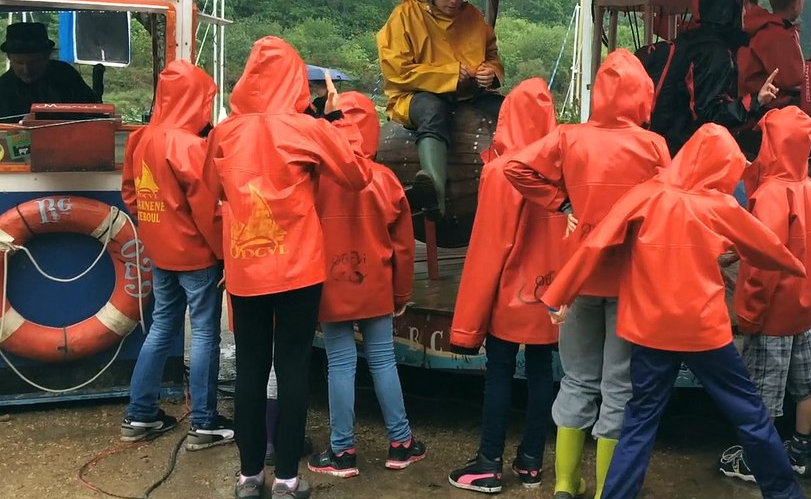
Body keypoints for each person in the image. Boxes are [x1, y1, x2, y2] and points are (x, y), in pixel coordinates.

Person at [541, 123, 807, 499]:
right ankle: (785, 494)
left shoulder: (645, 195)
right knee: (748, 412)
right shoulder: (720, 205)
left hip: (651, 329)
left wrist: (559, 293)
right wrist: (798, 268)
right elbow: (766, 246)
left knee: (639, 419)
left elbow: (595, 243)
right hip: (703, 331)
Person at [203, 36, 371, 499]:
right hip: (298, 269)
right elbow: (358, 176)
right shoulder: (308, 128)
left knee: (251, 370)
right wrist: (337, 121)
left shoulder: (224, 131)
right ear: (296, 79)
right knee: (294, 367)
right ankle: (289, 481)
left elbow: (211, 190)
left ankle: (248, 478)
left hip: (245, 268)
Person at [504, 50, 670, 499]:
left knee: (577, 379)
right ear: (641, 92)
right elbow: (668, 205)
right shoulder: (652, 145)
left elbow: (514, 166)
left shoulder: (568, 136)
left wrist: (562, 203)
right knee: (619, 386)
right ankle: (605, 491)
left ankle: (563, 483)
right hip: (628, 278)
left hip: (575, 278)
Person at [448, 79, 564, 493]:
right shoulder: (563, 168)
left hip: (509, 299)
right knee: (541, 373)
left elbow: (487, 251)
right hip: (550, 296)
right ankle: (532, 462)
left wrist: (466, 326)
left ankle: (488, 463)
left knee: (498, 372)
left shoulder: (501, 172)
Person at [307, 92, 425, 479]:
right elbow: (404, 247)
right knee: (383, 361)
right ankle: (401, 443)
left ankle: (342, 452)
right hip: (376, 286)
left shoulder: (314, 179)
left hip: (330, 285)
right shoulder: (385, 180)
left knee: (339, 365)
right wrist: (401, 294)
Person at [119, 60, 230, 450]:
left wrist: (154, 228)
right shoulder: (191, 146)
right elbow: (208, 209)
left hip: (160, 250)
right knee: (203, 333)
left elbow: (131, 193)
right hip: (197, 255)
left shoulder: (140, 137)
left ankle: (140, 414)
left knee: (163, 326)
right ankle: (204, 422)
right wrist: (225, 254)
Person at [723, 106, 811, 481]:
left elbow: (762, 266)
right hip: (805, 309)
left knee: (761, 392)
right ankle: (799, 450)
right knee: (809, 383)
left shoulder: (769, 194)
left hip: (773, 316)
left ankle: (756, 460)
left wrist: (749, 313)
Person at [377, 0, 504, 218]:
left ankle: (526, 182)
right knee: (433, 111)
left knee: (510, 109)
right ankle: (433, 195)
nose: (455, 0)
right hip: (414, 95)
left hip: (468, 95)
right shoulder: (404, 16)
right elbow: (398, 70)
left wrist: (490, 73)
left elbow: (491, 53)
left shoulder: (472, 16)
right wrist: (449, 75)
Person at [649, 0, 780, 157]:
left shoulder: (692, 41)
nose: (744, 12)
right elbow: (711, 116)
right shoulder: (715, 53)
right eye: (740, 6)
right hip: (688, 154)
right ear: (729, 10)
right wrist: (756, 100)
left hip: (665, 144)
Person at [0, 22, 99, 119]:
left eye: (33, 63)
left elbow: (94, 112)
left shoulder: (66, 75)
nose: (26, 70)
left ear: (47, 56)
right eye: (19, 63)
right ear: (9, 58)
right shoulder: (3, 88)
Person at [738, 0, 805, 103]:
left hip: (747, 98)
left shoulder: (760, 26)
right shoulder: (776, 34)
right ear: (796, 4)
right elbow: (793, 79)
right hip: (763, 105)